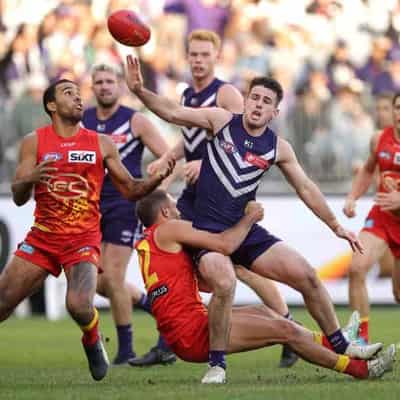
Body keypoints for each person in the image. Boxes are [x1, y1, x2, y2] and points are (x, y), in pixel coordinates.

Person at [126, 55, 383, 383]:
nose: (259, 105)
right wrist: (139, 91)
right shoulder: (221, 120)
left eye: (267, 102)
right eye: (255, 98)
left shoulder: (279, 147)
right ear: (245, 101)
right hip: (205, 228)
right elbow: (174, 112)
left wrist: (335, 226)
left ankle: (342, 345)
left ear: (275, 112)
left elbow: (305, 186)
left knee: (306, 275)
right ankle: (217, 364)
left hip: (243, 229)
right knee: (224, 282)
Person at [141, 29, 297, 370]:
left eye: (204, 54)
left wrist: (201, 162)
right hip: (196, 194)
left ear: (216, 57)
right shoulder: (186, 93)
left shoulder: (225, 93)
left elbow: (238, 138)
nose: (198, 60)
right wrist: (169, 155)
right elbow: (191, 135)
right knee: (186, 260)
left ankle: (287, 325)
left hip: (225, 193)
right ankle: (171, 338)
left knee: (242, 268)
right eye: (193, 54)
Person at [0, 79, 174, 381]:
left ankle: (92, 338)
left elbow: (131, 190)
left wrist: (156, 180)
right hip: (42, 237)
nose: (79, 98)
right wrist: (30, 178)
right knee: (2, 303)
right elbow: (17, 197)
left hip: (82, 238)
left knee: (79, 305)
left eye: (80, 94)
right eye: (69, 94)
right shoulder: (34, 142)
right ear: (51, 105)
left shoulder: (101, 143)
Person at [133, 189, 395, 383]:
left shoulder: (149, 243)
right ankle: (361, 370)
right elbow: (223, 242)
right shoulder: (168, 229)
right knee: (284, 330)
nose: (180, 210)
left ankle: (336, 342)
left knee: (266, 313)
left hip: (187, 329)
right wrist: (249, 219)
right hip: (193, 334)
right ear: (165, 213)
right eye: (174, 206)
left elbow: (192, 284)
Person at [82, 63, 176, 366]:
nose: (105, 86)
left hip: (126, 204)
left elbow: (168, 157)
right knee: (96, 282)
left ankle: (125, 351)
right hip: (91, 206)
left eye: (110, 81)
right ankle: (158, 313)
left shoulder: (134, 121)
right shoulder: (82, 122)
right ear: (92, 87)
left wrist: (158, 192)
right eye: (99, 82)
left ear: (120, 86)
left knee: (113, 276)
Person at [343, 92, 400, 344]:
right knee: (356, 268)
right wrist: (353, 196)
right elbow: (368, 169)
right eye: (397, 108)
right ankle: (360, 341)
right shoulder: (379, 139)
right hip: (381, 217)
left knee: (398, 294)